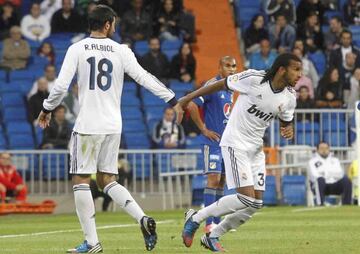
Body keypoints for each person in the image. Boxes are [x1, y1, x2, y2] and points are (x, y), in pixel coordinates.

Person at [37, 5, 183, 253]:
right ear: (107, 25)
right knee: (107, 180)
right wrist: (172, 99)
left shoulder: (77, 49)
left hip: (88, 125)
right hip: (113, 125)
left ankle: (92, 243)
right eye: (113, 23)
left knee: (81, 179)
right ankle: (142, 219)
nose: (114, 26)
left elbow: (61, 86)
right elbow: (144, 77)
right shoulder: (121, 50)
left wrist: (46, 107)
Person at [179, 53, 301, 251]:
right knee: (245, 197)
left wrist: (289, 128)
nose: (300, 75)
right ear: (281, 70)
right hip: (235, 142)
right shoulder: (254, 78)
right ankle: (196, 218)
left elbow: (286, 121)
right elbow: (221, 84)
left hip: (255, 149)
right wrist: (188, 98)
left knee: (256, 203)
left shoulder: (289, 97)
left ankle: (213, 236)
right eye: (296, 69)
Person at [185, 56, 237, 233]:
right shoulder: (211, 85)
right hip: (212, 142)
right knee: (213, 180)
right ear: (219, 67)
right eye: (228, 66)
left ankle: (216, 222)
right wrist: (203, 129)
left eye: (234, 66)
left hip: (225, 143)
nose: (232, 69)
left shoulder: (230, 89)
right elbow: (192, 105)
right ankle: (208, 224)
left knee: (222, 182)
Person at [308, 141, 352, 206]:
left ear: (329, 149)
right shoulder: (312, 162)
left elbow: (340, 174)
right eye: (322, 148)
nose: (324, 150)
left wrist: (325, 173)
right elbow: (314, 176)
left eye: (326, 148)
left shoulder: (335, 160)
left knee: (346, 180)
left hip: (334, 185)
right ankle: (320, 204)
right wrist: (331, 174)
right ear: (317, 150)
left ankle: (346, 204)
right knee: (320, 180)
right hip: (320, 186)